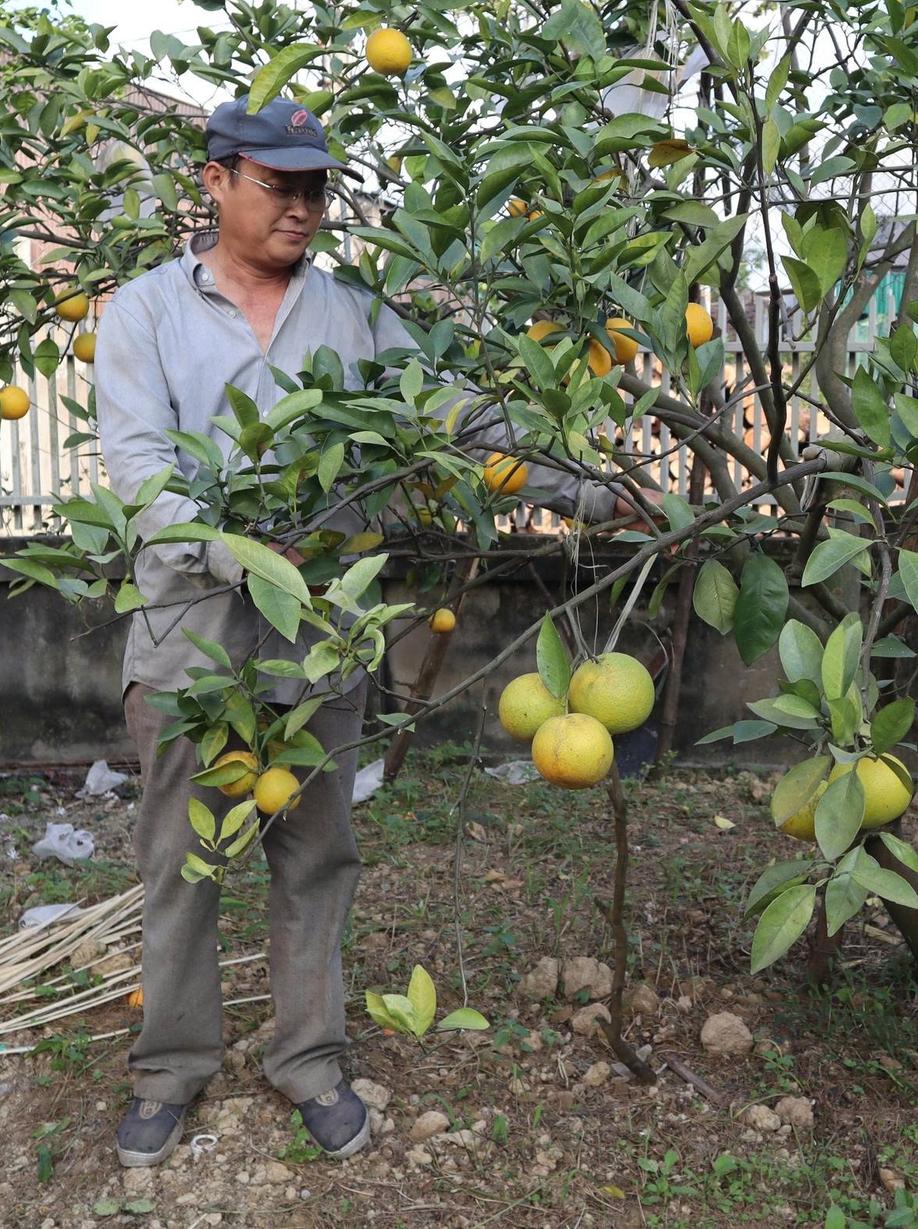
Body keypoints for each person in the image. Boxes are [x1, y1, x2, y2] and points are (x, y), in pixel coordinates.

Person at [97, 96, 642, 1167]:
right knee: (181, 862)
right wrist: (236, 552)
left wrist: (587, 489)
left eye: (316, 187)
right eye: (277, 184)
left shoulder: (355, 314)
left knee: (314, 851)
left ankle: (307, 1056)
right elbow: (139, 468)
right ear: (216, 181)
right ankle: (170, 1067)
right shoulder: (146, 311)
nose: (301, 205)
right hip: (188, 631)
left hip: (323, 636)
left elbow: (456, 418)